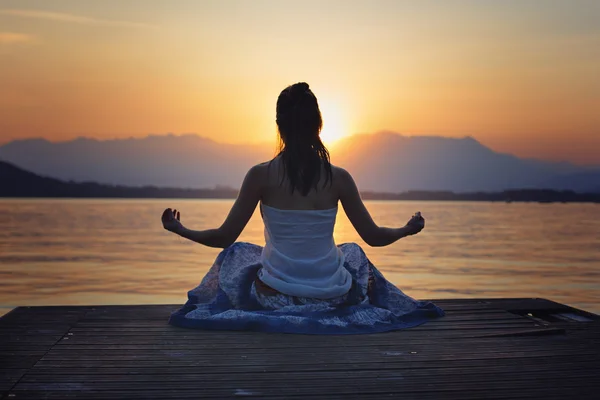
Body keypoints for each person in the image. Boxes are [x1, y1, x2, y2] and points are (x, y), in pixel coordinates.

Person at [163, 82, 444, 334]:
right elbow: (374, 237)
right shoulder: (340, 178)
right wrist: (406, 229)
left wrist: (181, 229)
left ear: (279, 125)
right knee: (353, 252)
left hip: (275, 297)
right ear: (318, 125)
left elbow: (223, 237)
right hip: (335, 297)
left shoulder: (260, 175)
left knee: (236, 254)